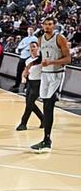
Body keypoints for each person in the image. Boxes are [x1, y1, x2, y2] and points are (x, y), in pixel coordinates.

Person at [30, 17, 71, 153]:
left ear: (54, 26)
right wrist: (30, 65)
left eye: (50, 24)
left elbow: (68, 59)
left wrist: (51, 62)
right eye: (45, 24)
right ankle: (46, 139)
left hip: (57, 74)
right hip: (45, 74)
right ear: (42, 26)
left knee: (49, 105)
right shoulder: (40, 39)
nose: (47, 26)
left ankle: (47, 140)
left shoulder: (60, 38)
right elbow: (42, 58)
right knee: (45, 104)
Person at [16, 41, 44, 131]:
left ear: (38, 48)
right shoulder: (28, 60)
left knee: (30, 104)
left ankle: (23, 123)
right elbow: (25, 71)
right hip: (30, 83)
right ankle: (43, 119)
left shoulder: (41, 59)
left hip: (38, 83)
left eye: (34, 46)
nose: (32, 48)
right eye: (31, 47)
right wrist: (23, 77)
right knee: (30, 103)